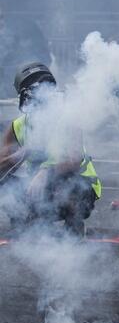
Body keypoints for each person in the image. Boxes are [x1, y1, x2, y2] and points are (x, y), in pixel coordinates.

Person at [0, 62, 101, 236]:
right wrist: (18, 155)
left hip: (77, 188)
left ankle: (73, 225)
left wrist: (45, 172)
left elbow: (74, 159)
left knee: (70, 187)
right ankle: (25, 220)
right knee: (6, 184)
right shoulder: (18, 126)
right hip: (39, 191)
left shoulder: (68, 120)